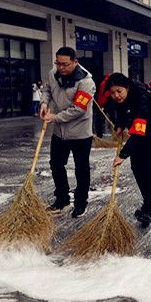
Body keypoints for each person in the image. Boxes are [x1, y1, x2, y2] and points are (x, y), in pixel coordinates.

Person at [107, 73, 151, 227]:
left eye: (119, 91)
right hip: (138, 131)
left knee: (149, 167)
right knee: (137, 167)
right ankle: (148, 202)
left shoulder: (141, 98)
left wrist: (123, 154)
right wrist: (120, 124)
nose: (116, 95)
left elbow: (140, 128)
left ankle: (150, 207)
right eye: (113, 92)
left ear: (127, 88)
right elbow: (122, 111)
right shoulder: (120, 98)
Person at [40, 47, 96, 218]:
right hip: (59, 133)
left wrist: (55, 117)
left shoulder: (86, 82)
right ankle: (62, 199)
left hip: (80, 133)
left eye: (65, 64)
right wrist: (43, 103)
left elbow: (79, 109)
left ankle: (81, 203)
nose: (61, 68)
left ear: (75, 62)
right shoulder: (53, 73)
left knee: (81, 169)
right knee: (56, 164)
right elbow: (47, 89)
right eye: (58, 63)